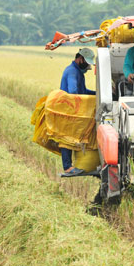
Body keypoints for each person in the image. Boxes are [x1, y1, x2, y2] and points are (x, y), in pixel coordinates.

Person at [59, 48, 96, 177]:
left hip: (73, 108)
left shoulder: (77, 72)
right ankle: (68, 167)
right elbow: (73, 91)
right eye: (87, 63)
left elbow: (84, 91)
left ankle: (71, 165)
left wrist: (98, 94)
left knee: (72, 136)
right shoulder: (73, 72)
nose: (88, 66)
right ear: (80, 59)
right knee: (67, 137)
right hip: (69, 109)